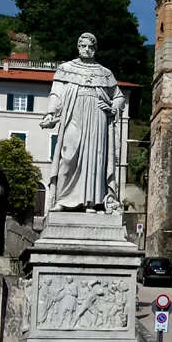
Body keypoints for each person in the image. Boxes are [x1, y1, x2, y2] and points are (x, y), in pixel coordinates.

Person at [39, 32, 126, 213]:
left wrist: (112, 108)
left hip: (97, 117)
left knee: (95, 158)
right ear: (78, 47)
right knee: (68, 155)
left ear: (95, 49)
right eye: (83, 46)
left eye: (91, 47)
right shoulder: (65, 68)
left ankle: (90, 202)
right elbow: (56, 93)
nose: (87, 50)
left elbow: (119, 97)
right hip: (73, 113)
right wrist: (50, 113)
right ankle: (63, 199)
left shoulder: (105, 73)